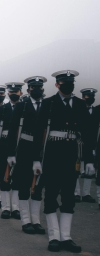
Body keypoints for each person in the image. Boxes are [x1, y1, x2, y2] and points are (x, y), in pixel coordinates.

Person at [31, 70, 93, 252]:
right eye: (64, 82)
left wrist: (88, 160)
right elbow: (38, 132)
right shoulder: (49, 104)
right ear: (57, 84)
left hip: (72, 155)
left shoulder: (81, 105)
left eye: (71, 82)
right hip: (52, 155)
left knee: (68, 197)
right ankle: (54, 236)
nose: (68, 85)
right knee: (50, 196)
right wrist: (36, 159)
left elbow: (87, 135)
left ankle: (66, 237)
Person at [7, 76, 47, 235]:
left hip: (43, 150)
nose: (36, 89)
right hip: (25, 148)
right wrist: (11, 154)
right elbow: (12, 131)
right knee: (24, 184)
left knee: (38, 187)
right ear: (28, 89)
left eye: (39, 87)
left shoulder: (48, 105)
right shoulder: (22, 106)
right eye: (33, 87)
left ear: (42, 89)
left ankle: (36, 220)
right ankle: (25, 220)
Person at [0, 82, 23, 219]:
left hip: (21, 145)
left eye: (17, 91)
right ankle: (5, 207)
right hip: (4, 145)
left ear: (20, 93)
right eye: (12, 92)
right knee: (5, 176)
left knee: (18, 178)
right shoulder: (2, 109)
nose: (14, 94)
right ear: (8, 93)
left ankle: (15, 207)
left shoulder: (25, 108)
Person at [73, 88, 98, 203]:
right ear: (82, 97)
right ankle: (76, 192)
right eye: (87, 96)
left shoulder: (97, 110)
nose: (90, 98)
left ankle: (86, 193)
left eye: (92, 96)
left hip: (92, 143)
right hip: (79, 142)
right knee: (76, 169)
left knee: (89, 171)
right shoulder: (77, 109)